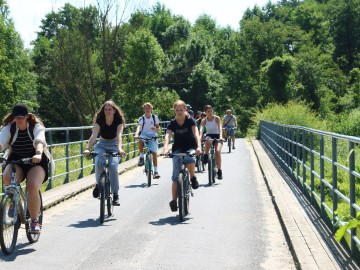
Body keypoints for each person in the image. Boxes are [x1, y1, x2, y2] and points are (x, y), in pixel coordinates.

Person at [0, 103, 53, 233]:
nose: (19, 120)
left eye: (22, 117)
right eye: (16, 117)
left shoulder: (36, 126)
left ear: (27, 116)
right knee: (7, 177)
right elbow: (1, 142)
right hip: (16, 160)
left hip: (36, 160)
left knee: (32, 185)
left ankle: (34, 221)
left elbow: (39, 141)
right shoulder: (9, 128)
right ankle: (12, 202)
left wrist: (38, 153)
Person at [83, 100, 126, 206]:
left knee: (113, 166)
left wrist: (120, 149)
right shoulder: (100, 119)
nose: (107, 111)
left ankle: (115, 195)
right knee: (98, 163)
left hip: (114, 145)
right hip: (102, 144)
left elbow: (119, 136)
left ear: (114, 110)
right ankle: (98, 184)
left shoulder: (118, 120)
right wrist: (88, 148)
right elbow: (94, 136)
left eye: (110, 109)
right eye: (106, 109)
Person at [164, 100, 201, 212]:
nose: (179, 112)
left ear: (185, 110)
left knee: (190, 159)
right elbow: (167, 135)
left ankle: (193, 177)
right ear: (174, 111)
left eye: (181, 110)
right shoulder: (173, 122)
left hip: (190, 146)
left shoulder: (190, 120)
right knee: (175, 177)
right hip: (178, 148)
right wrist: (166, 148)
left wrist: (199, 147)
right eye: (177, 110)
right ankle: (174, 201)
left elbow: (196, 134)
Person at [134, 102, 161, 179]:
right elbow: (139, 127)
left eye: (149, 108)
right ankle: (141, 157)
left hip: (153, 135)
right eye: (145, 108)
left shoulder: (154, 117)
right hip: (144, 135)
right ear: (144, 110)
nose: (147, 109)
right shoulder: (142, 118)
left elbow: (158, 128)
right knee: (140, 140)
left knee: (154, 154)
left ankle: (155, 172)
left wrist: (155, 129)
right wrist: (136, 134)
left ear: (151, 109)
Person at [199, 105, 224, 179]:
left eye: (211, 111)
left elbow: (220, 128)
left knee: (217, 151)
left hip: (218, 136)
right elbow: (201, 129)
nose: (210, 112)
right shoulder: (204, 120)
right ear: (205, 112)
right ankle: (205, 155)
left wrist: (221, 137)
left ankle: (219, 171)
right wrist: (200, 138)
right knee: (207, 139)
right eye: (208, 111)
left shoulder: (217, 118)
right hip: (209, 135)